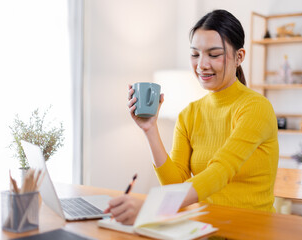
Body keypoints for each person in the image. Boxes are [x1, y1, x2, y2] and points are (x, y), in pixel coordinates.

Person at [104, 9, 279, 225]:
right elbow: (175, 183)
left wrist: (152, 208)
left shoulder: (255, 108)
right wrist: (150, 129)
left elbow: (220, 171)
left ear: (239, 57)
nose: (201, 65)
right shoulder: (190, 113)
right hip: (203, 228)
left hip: (251, 231)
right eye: (195, 54)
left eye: (214, 55)